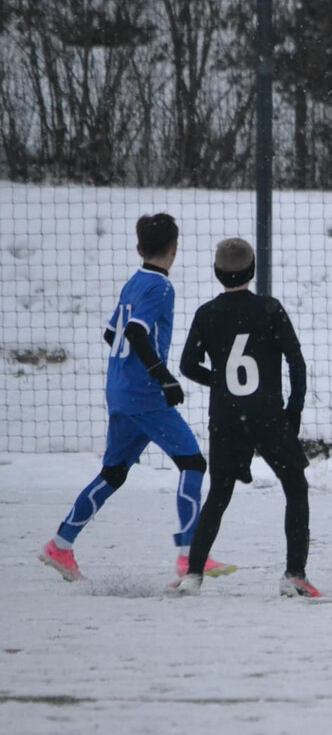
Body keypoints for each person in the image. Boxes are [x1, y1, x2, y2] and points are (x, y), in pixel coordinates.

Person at [39, 214, 234, 581]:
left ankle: (60, 545)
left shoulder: (133, 283)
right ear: (175, 249)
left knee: (113, 473)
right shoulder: (161, 288)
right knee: (193, 463)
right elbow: (134, 333)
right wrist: (163, 378)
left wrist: (133, 368)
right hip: (145, 395)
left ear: (138, 248)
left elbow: (111, 334)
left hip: (119, 391)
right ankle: (190, 554)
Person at [167, 237, 319, 597]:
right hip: (267, 415)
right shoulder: (269, 309)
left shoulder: (207, 313)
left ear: (217, 273)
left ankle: (193, 576)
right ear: (252, 270)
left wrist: (218, 382)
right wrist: (293, 409)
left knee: (219, 494)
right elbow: (296, 363)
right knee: (295, 486)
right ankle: (294, 574)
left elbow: (188, 365)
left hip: (226, 418)